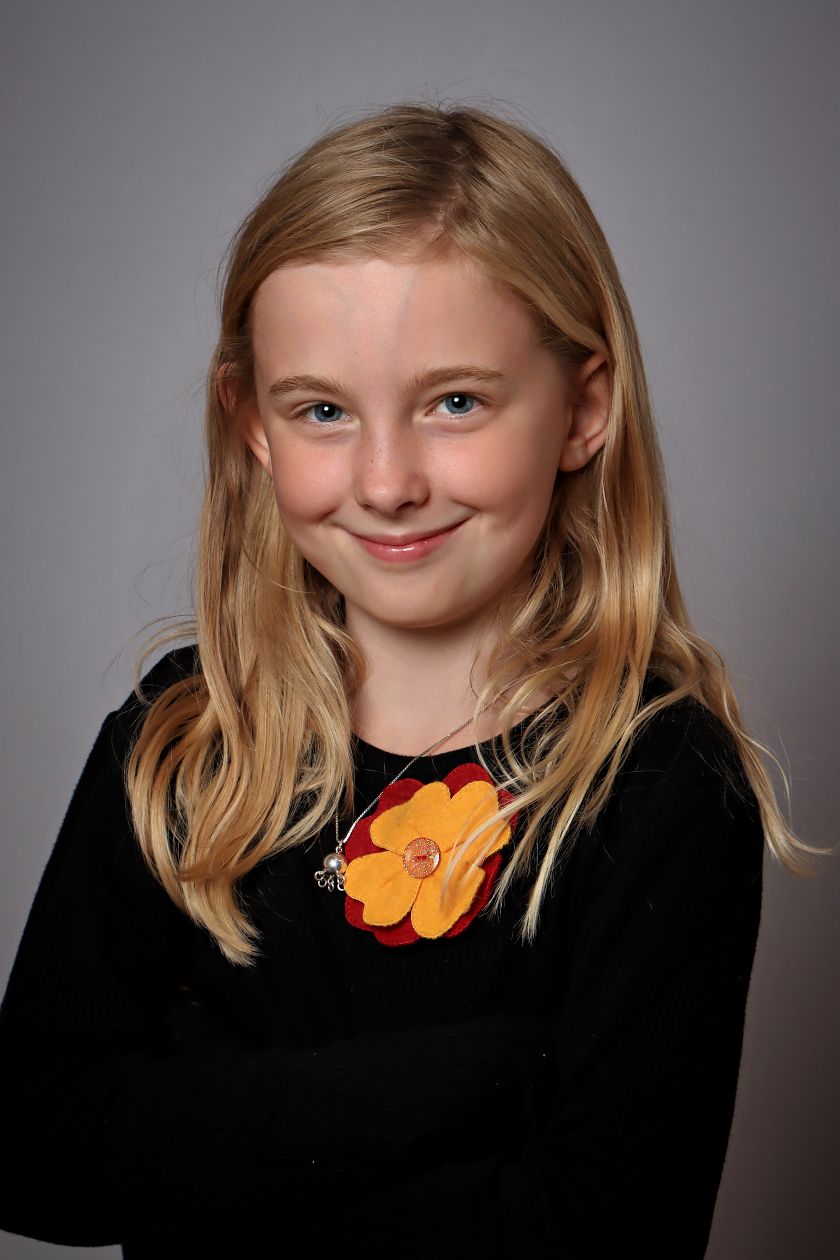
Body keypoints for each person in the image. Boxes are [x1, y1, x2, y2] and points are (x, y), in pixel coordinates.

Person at [0, 101, 823, 1259]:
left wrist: (192, 1124)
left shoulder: (664, 785)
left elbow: (596, 1233)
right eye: (323, 411)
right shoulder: (184, 739)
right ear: (252, 425)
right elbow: (29, 1148)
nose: (387, 483)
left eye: (455, 403)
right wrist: (473, 1081)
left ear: (583, 409)